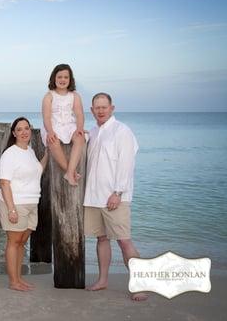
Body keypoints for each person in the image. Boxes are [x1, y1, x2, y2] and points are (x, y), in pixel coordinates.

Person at [84, 92, 147, 302]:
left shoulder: (122, 131)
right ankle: (102, 280)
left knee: (124, 241)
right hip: (93, 197)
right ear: (92, 110)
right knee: (101, 239)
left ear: (112, 108)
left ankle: (139, 285)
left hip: (115, 197)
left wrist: (118, 192)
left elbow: (126, 164)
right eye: (97, 107)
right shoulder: (92, 132)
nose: (100, 110)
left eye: (104, 107)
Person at [0, 117, 47, 291]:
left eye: (27, 128)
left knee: (21, 242)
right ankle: (13, 281)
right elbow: (4, 183)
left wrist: (49, 152)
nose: (24, 132)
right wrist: (11, 209)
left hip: (32, 203)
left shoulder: (30, 151)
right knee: (14, 241)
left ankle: (18, 278)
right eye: (19, 129)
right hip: (15, 204)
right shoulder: (10, 154)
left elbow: (38, 171)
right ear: (14, 133)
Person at [41, 64, 85, 186]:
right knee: (53, 141)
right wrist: (50, 131)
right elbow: (47, 117)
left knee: (80, 138)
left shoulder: (74, 95)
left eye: (66, 77)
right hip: (53, 126)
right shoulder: (49, 96)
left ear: (70, 79)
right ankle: (70, 172)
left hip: (69, 125)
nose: (62, 80)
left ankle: (70, 172)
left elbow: (79, 114)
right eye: (59, 77)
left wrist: (80, 128)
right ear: (54, 78)